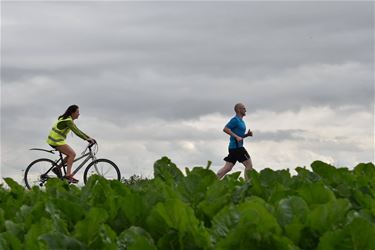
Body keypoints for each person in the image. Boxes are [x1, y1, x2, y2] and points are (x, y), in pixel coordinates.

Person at [46, 105, 95, 183]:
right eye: (77, 112)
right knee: (72, 154)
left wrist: (89, 138)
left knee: (69, 155)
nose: (79, 114)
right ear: (72, 113)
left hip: (56, 140)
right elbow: (76, 132)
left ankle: (57, 168)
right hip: (55, 141)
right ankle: (68, 175)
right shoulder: (68, 121)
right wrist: (87, 139)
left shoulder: (68, 119)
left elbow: (78, 130)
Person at [217, 103, 253, 180]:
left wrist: (247, 135)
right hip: (237, 148)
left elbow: (239, 136)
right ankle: (247, 185)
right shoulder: (235, 120)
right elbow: (225, 129)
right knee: (249, 165)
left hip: (234, 148)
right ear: (239, 110)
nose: (245, 110)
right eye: (243, 108)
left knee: (227, 168)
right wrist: (236, 137)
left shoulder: (241, 121)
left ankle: (211, 181)